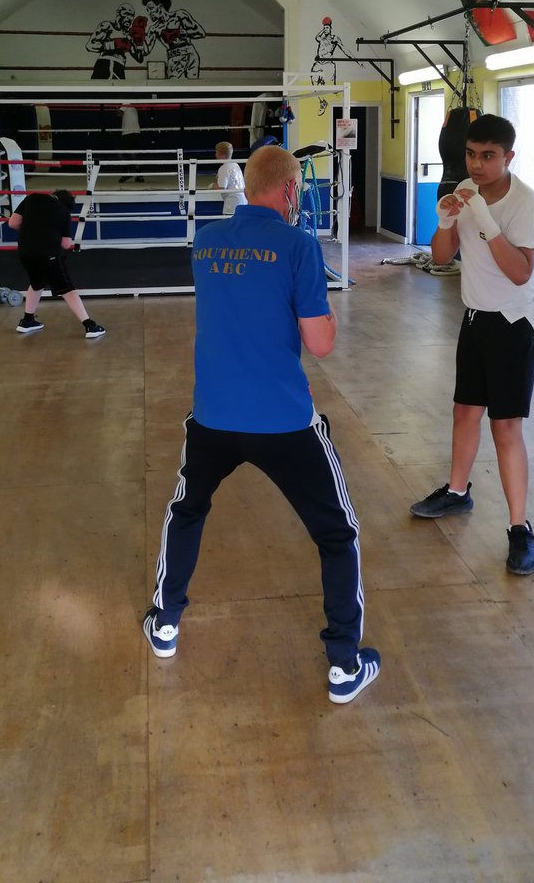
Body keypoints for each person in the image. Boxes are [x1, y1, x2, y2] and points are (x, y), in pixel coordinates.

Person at [143, 145, 380, 703]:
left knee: (187, 509)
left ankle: (166, 622)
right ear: (292, 190)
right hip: (284, 422)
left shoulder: (206, 241)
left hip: (214, 416)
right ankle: (345, 665)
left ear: (246, 187)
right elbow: (320, 345)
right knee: (337, 533)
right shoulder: (298, 245)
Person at [409, 114, 534, 576]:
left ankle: (519, 528)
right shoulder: (464, 190)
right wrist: (447, 221)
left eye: (489, 156)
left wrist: (485, 220)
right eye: (471, 154)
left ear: (509, 156)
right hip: (475, 317)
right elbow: (440, 257)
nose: (478, 164)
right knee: (464, 411)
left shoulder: (525, 204)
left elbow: (520, 272)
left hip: (515, 322)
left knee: (505, 427)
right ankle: (456, 492)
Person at [7, 189, 106, 339]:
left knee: (37, 283)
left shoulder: (32, 198)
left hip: (25, 252)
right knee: (67, 289)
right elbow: (66, 244)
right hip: (48, 254)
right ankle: (90, 325)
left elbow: (13, 223)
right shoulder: (63, 211)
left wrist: (34, 229)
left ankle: (27, 321)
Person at [210, 140, 246, 214]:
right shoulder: (235, 165)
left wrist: (211, 186)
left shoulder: (224, 168)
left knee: (229, 222)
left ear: (222, 155)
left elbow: (221, 188)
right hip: (243, 200)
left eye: (217, 152)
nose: (215, 154)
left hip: (232, 202)